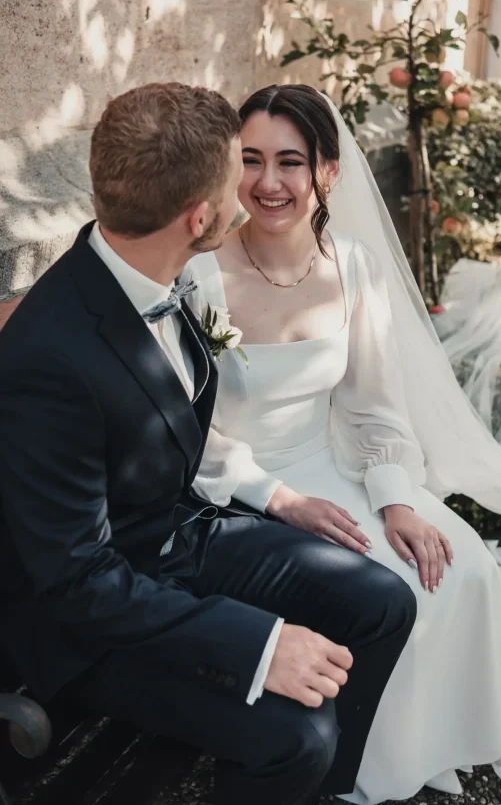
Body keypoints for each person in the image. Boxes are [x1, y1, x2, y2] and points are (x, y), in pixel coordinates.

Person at [0, 83, 418, 805]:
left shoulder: (159, 272)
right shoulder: (49, 358)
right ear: (201, 217)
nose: (252, 191)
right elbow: (78, 582)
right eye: (238, 176)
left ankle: (310, 792)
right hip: (89, 618)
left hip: (180, 537)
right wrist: (258, 646)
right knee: (300, 734)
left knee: (384, 602)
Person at [183, 83, 501, 804]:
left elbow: (375, 409)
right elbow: (194, 434)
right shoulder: (200, 274)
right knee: (382, 591)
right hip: (238, 489)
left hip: (334, 467)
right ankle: (351, 767)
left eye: (291, 161)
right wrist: (280, 501)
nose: (268, 183)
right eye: (250, 160)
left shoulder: (352, 265)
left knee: (461, 566)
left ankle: (426, 748)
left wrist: (396, 500)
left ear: (329, 172)